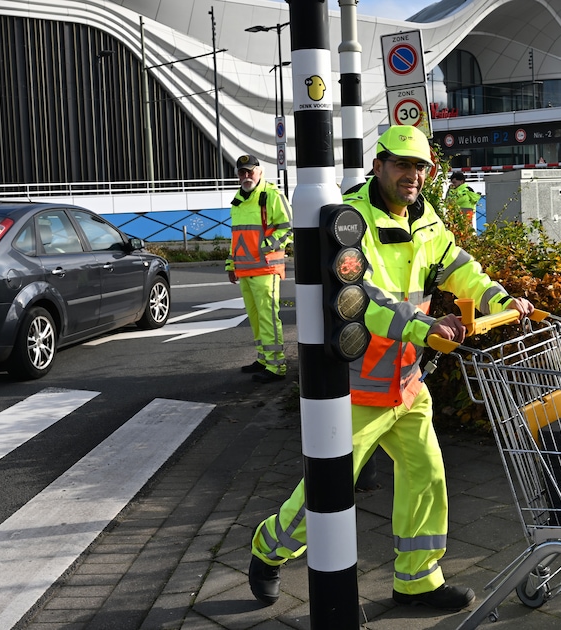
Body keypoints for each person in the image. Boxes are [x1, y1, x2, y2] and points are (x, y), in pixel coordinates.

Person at [248, 125, 534, 611]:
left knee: (427, 476)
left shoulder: (427, 220)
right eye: (402, 165)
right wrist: (426, 327)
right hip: (358, 387)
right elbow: (362, 300)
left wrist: (499, 298)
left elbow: (461, 268)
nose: (412, 175)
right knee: (325, 491)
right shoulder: (348, 220)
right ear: (378, 166)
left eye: (420, 167)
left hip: (407, 382)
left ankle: (417, 581)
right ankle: (267, 550)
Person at [226, 154, 292, 384]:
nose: (246, 176)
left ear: (260, 172)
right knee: (255, 318)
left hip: (266, 268)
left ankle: (276, 366)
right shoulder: (238, 199)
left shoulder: (271, 195)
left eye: (250, 171)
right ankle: (264, 359)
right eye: (241, 172)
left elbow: (287, 227)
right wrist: (231, 263)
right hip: (245, 269)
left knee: (268, 318)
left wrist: (265, 248)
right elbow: (237, 236)